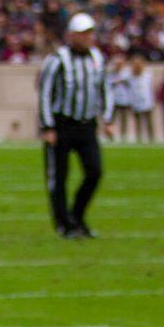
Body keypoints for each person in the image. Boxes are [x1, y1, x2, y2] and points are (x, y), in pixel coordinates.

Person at [38, 13, 113, 239]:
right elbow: (45, 93)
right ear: (71, 35)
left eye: (90, 32)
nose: (88, 37)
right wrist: (48, 126)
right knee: (58, 178)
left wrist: (107, 119)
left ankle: (77, 216)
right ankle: (65, 225)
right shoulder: (57, 59)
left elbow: (105, 89)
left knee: (95, 171)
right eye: (83, 33)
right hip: (61, 125)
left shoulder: (97, 58)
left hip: (86, 125)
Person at [128, 55, 155, 143]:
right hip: (135, 102)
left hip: (147, 101)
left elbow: (150, 89)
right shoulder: (130, 77)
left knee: (149, 122)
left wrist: (152, 101)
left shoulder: (147, 76)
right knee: (138, 122)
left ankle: (151, 139)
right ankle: (139, 138)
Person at [109, 57, 132, 141]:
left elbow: (130, 84)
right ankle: (110, 134)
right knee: (112, 118)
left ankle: (124, 134)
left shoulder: (126, 73)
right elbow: (109, 84)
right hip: (114, 99)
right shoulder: (112, 73)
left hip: (124, 99)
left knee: (124, 118)